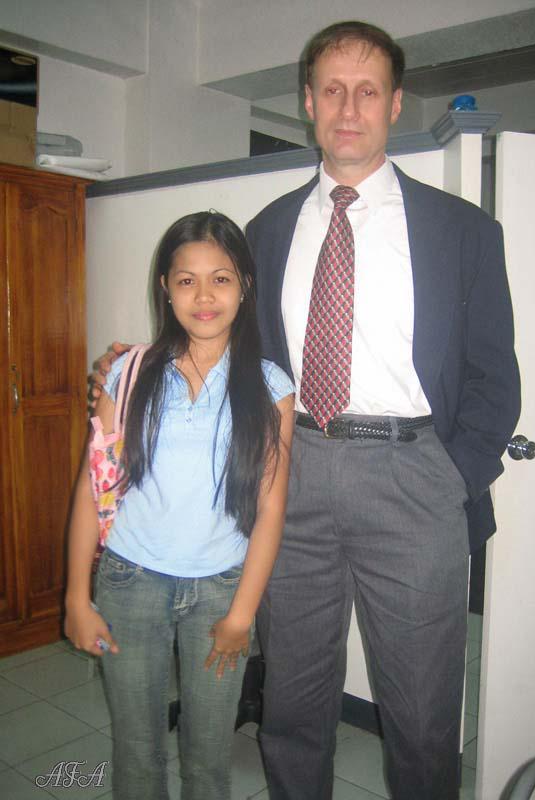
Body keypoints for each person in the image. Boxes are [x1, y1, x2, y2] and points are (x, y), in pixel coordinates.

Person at [93, 20, 520, 800]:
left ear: (395, 103)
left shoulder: (464, 231)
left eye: (367, 91)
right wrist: (133, 371)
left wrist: (453, 476)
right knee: (292, 703)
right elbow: (228, 347)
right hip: (292, 475)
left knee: (423, 715)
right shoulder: (267, 232)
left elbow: (496, 376)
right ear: (308, 102)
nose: (349, 108)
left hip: (414, 479)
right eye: (332, 90)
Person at [66, 211, 294, 800]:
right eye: (187, 280)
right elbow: (94, 488)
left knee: (207, 759)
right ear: (166, 288)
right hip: (130, 582)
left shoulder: (270, 386)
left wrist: (242, 615)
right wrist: (76, 599)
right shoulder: (128, 372)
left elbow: (271, 509)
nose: (204, 296)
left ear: (244, 286)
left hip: (220, 589)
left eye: (221, 279)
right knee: (137, 753)